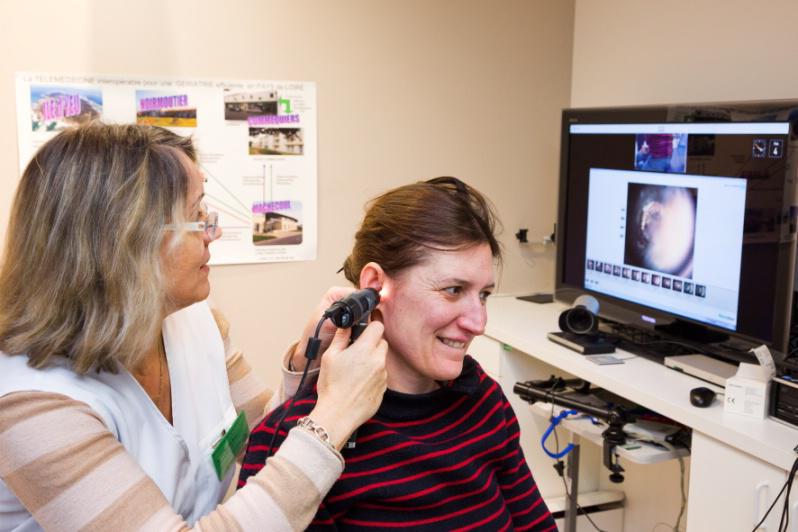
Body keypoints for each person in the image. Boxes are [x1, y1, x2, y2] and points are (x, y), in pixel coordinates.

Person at [0, 122, 388, 531]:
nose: (214, 231)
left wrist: (305, 362)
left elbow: (258, 439)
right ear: (128, 240)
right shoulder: (32, 405)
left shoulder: (194, 321)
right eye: (196, 216)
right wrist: (336, 413)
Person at [240, 177, 557, 531]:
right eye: (453, 290)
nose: (478, 322)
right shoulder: (298, 446)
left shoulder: (483, 400)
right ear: (375, 286)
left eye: (483, 294)